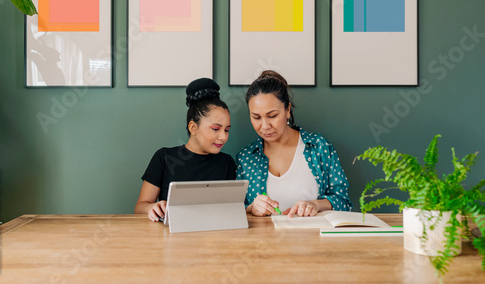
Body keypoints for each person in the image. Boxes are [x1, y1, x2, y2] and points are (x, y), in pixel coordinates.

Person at [236, 70, 352, 217]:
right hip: (263, 240)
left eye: (272, 116)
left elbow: (343, 201)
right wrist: (251, 208)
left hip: (314, 238)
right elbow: (235, 210)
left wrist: (316, 204)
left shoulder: (319, 147)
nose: (264, 126)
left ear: (287, 110)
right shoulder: (245, 158)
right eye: (256, 117)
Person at [135, 78, 236, 221]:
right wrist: (153, 207)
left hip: (213, 237)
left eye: (227, 130)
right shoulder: (164, 157)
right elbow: (139, 207)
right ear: (193, 127)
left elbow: (229, 209)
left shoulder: (227, 163)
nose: (223, 137)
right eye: (215, 129)